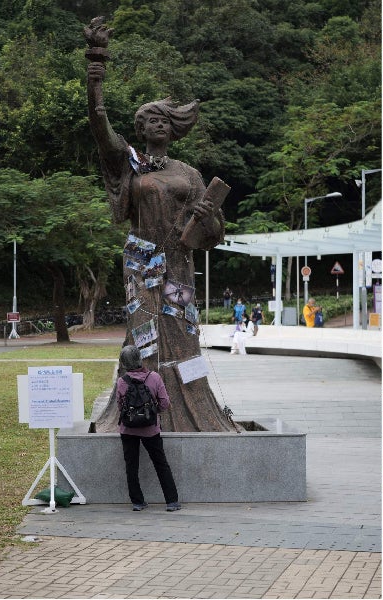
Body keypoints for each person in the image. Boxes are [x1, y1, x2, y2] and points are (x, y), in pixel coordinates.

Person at [85, 18, 235, 433]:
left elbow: (215, 229)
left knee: (182, 328)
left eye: (166, 119)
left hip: (179, 260)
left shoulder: (188, 172)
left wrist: (207, 219)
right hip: (140, 257)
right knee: (143, 332)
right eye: (152, 119)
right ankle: (135, 406)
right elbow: (99, 124)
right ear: (141, 128)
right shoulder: (128, 164)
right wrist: (95, 67)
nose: (160, 124)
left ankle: (193, 408)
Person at [115, 345, 181, 512]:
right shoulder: (154, 377)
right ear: (140, 358)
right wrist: (151, 413)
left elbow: (120, 406)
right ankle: (171, 501)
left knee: (131, 466)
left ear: (123, 362)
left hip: (128, 430)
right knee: (161, 463)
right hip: (150, 429)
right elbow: (165, 403)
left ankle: (138, 502)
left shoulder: (121, 382)